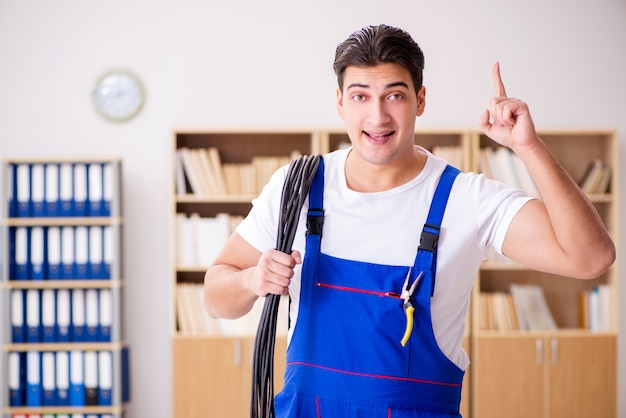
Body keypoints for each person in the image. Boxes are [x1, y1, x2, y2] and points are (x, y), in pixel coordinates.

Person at [203, 24, 615, 417]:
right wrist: (250, 281)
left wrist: (529, 147)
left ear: (419, 100)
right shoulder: (297, 187)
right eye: (361, 96)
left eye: (394, 96)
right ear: (340, 103)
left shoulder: (466, 200)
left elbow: (590, 258)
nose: (378, 116)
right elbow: (214, 295)